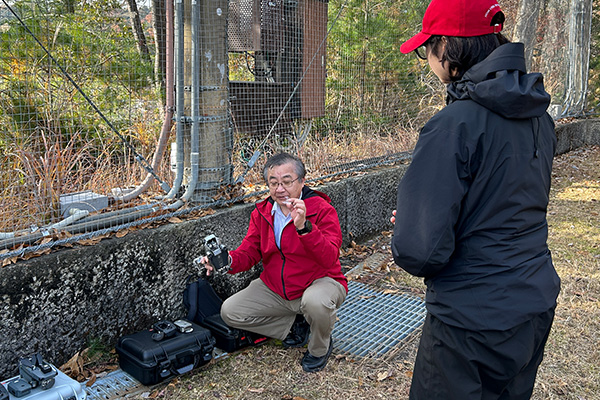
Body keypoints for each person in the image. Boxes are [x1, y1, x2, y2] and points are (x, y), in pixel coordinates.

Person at [390, 0, 561, 398]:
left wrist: (414, 225)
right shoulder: (539, 116)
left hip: (470, 321)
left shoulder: (452, 126)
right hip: (532, 300)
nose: (426, 58)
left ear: (447, 46)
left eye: (425, 48)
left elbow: (420, 250)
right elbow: (508, 203)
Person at [200, 152, 348, 373]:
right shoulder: (262, 212)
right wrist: (225, 260)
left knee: (316, 303)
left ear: (302, 181)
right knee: (230, 311)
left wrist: (304, 227)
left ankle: (320, 348)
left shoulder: (321, 209)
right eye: (273, 183)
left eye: (287, 182)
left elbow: (329, 257)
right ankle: (295, 327)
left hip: (319, 281)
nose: (280, 189)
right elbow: (249, 252)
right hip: (277, 287)